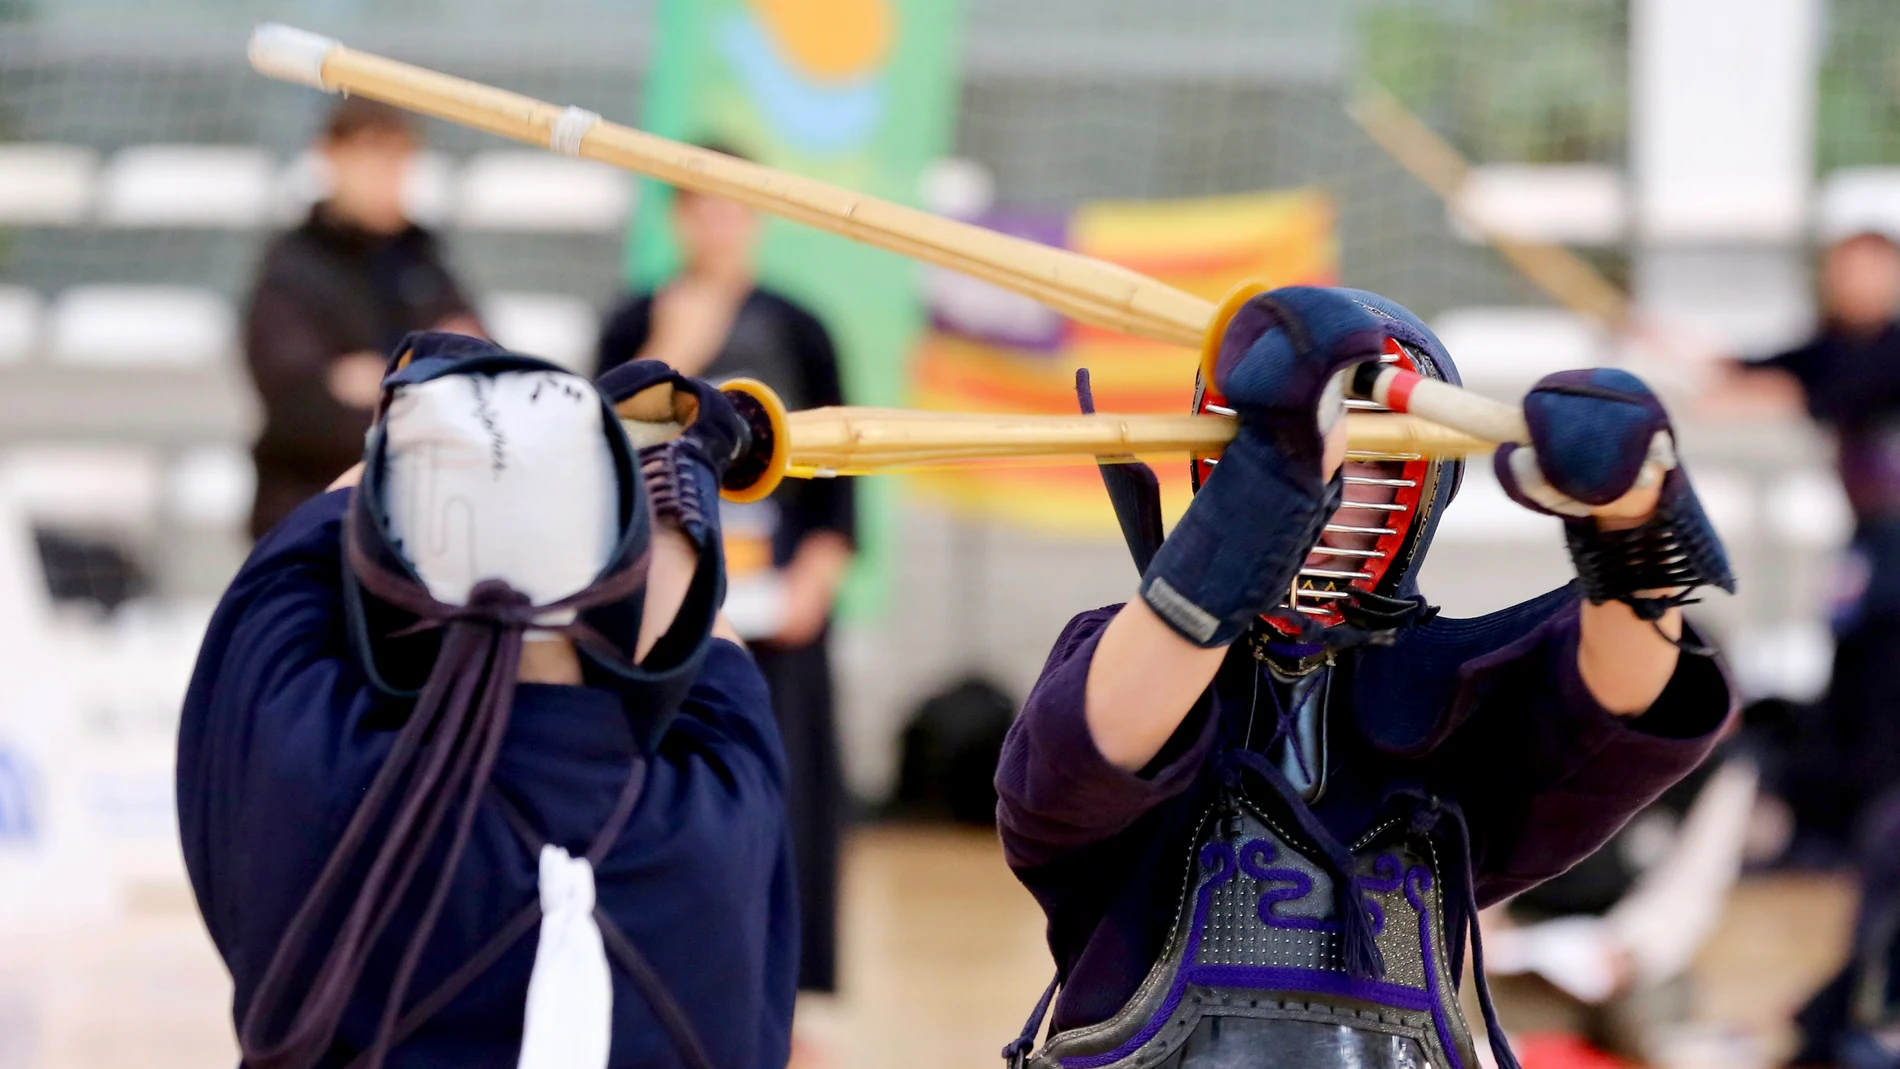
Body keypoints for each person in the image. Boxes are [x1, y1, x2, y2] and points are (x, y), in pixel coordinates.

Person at [994, 287, 1737, 1069]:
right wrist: (1260, 500)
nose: (1336, 485)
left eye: (1374, 460)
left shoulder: (1452, 700)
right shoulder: (1126, 658)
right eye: (1317, 451)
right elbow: (1087, 757)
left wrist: (1631, 521)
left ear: (1421, 488)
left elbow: (1624, 703)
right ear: (1218, 459)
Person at [176, 331, 796, 1069]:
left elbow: (291, 571)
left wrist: (429, 418)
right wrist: (670, 472)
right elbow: (700, 640)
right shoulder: (721, 811)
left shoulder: (317, 777)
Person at [598, 161, 855, 996]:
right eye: (700, 209)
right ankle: (667, 982)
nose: (718, 226)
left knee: (795, 797)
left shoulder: (803, 326)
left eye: (732, 209)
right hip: (668, 611)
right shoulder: (635, 322)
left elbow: (840, 464)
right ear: (678, 219)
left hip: (779, 606)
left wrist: (821, 567)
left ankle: (790, 997)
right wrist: (674, 348)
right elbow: (598, 445)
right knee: (673, 793)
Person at [1723, 230, 1900, 859]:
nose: (1854, 284)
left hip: (1893, 545)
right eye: (1844, 270)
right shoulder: (1832, 347)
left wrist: (1762, 391)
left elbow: (1820, 390)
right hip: (1872, 543)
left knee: (1881, 674)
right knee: (1855, 669)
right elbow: (1747, 369)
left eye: (1869, 271)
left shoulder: (1887, 352)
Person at [242, 97, 483, 539]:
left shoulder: (423, 258)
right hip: (314, 518)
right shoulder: (295, 267)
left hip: (423, 520)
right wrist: (426, 390)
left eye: (398, 158)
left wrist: (383, 385)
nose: (386, 175)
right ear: (328, 157)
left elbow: (484, 367)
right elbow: (302, 404)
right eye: (371, 156)